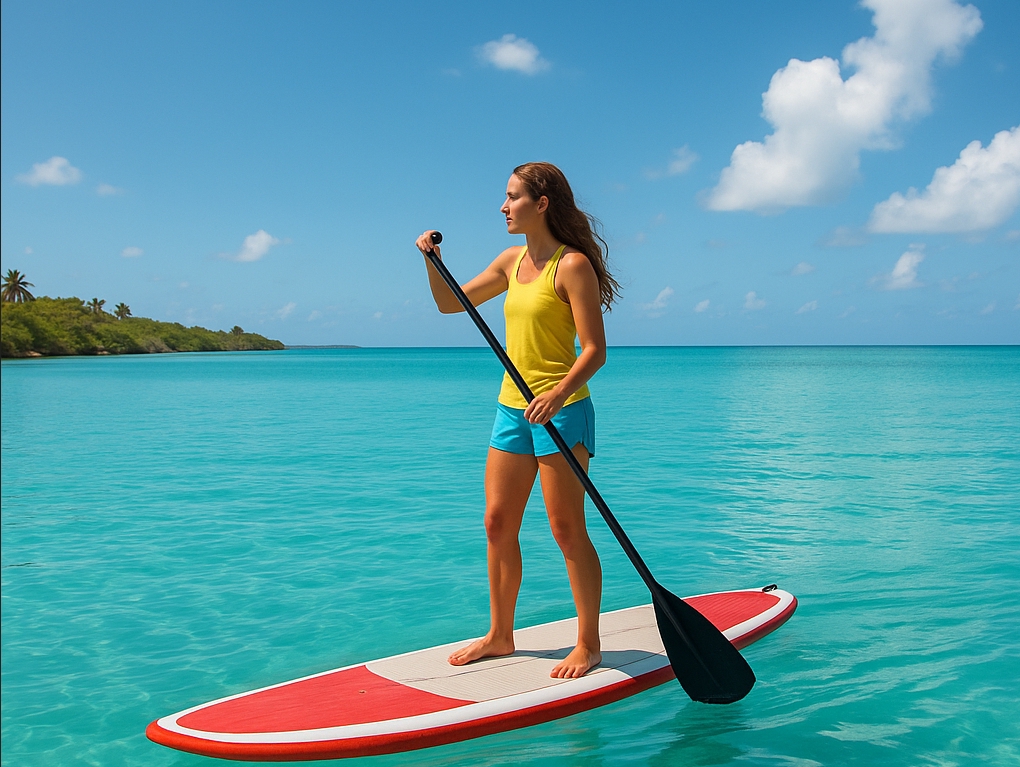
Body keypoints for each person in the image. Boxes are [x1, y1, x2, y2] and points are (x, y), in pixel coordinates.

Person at [416, 162, 620, 679]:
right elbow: (449, 304)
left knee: (566, 529)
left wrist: (557, 394)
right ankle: (501, 635)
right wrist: (432, 262)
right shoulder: (510, 261)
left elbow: (594, 351)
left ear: (542, 202)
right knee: (497, 523)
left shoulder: (572, 265)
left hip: (563, 410)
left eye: (512, 197)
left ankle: (588, 643)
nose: (504, 207)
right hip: (511, 408)